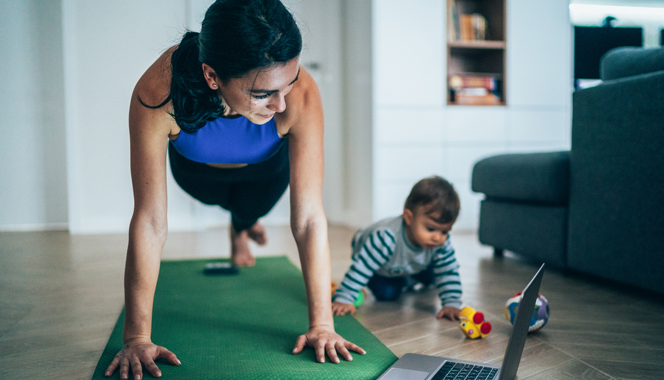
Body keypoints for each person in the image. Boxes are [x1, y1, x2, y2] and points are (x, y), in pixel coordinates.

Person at [104, 1, 365, 379]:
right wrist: (136, 336)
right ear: (213, 76)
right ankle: (241, 225)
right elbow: (149, 221)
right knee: (220, 199)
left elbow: (309, 219)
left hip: (265, 172)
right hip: (197, 174)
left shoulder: (301, 95)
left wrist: (322, 325)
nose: (281, 104)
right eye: (263, 94)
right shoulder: (159, 90)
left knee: (249, 207)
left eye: (287, 85)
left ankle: (241, 227)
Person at [332, 176, 463, 321]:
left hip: (410, 263)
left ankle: (408, 277)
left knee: (436, 274)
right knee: (387, 293)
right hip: (379, 265)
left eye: (444, 231)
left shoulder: (439, 243)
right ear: (409, 217)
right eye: (431, 228)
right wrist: (344, 298)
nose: (438, 237)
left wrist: (451, 303)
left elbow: (448, 270)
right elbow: (362, 267)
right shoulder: (385, 238)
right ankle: (405, 280)